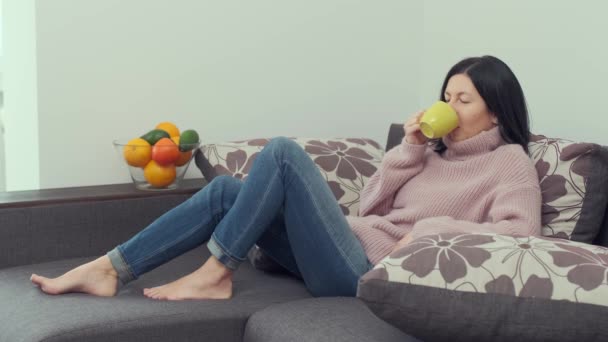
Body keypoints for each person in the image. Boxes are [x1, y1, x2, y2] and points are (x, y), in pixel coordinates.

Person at [30, 55, 541, 300]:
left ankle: (215, 273)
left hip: (364, 274)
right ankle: (111, 267)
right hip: (344, 247)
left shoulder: (510, 164)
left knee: (281, 154)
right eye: (445, 97)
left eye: (463, 100)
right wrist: (409, 149)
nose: (448, 107)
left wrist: (427, 236)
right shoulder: (427, 155)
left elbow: (521, 238)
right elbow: (370, 209)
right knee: (226, 189)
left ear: (495, 112)